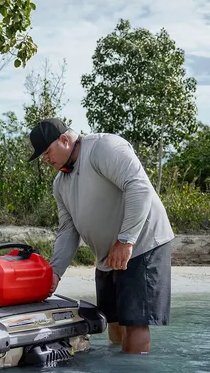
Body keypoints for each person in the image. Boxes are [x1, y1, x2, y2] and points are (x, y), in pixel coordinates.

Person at [27, 118, 175, 354]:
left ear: (64, 140)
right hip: (107, 255)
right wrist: (55, 272)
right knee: (113, 320)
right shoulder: (60, 184)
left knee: (134, 321)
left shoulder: (104, 147)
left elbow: (139, 187)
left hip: (142, 244)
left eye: (46, 152)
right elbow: (68, 229)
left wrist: (126, 240)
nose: (45, 159)